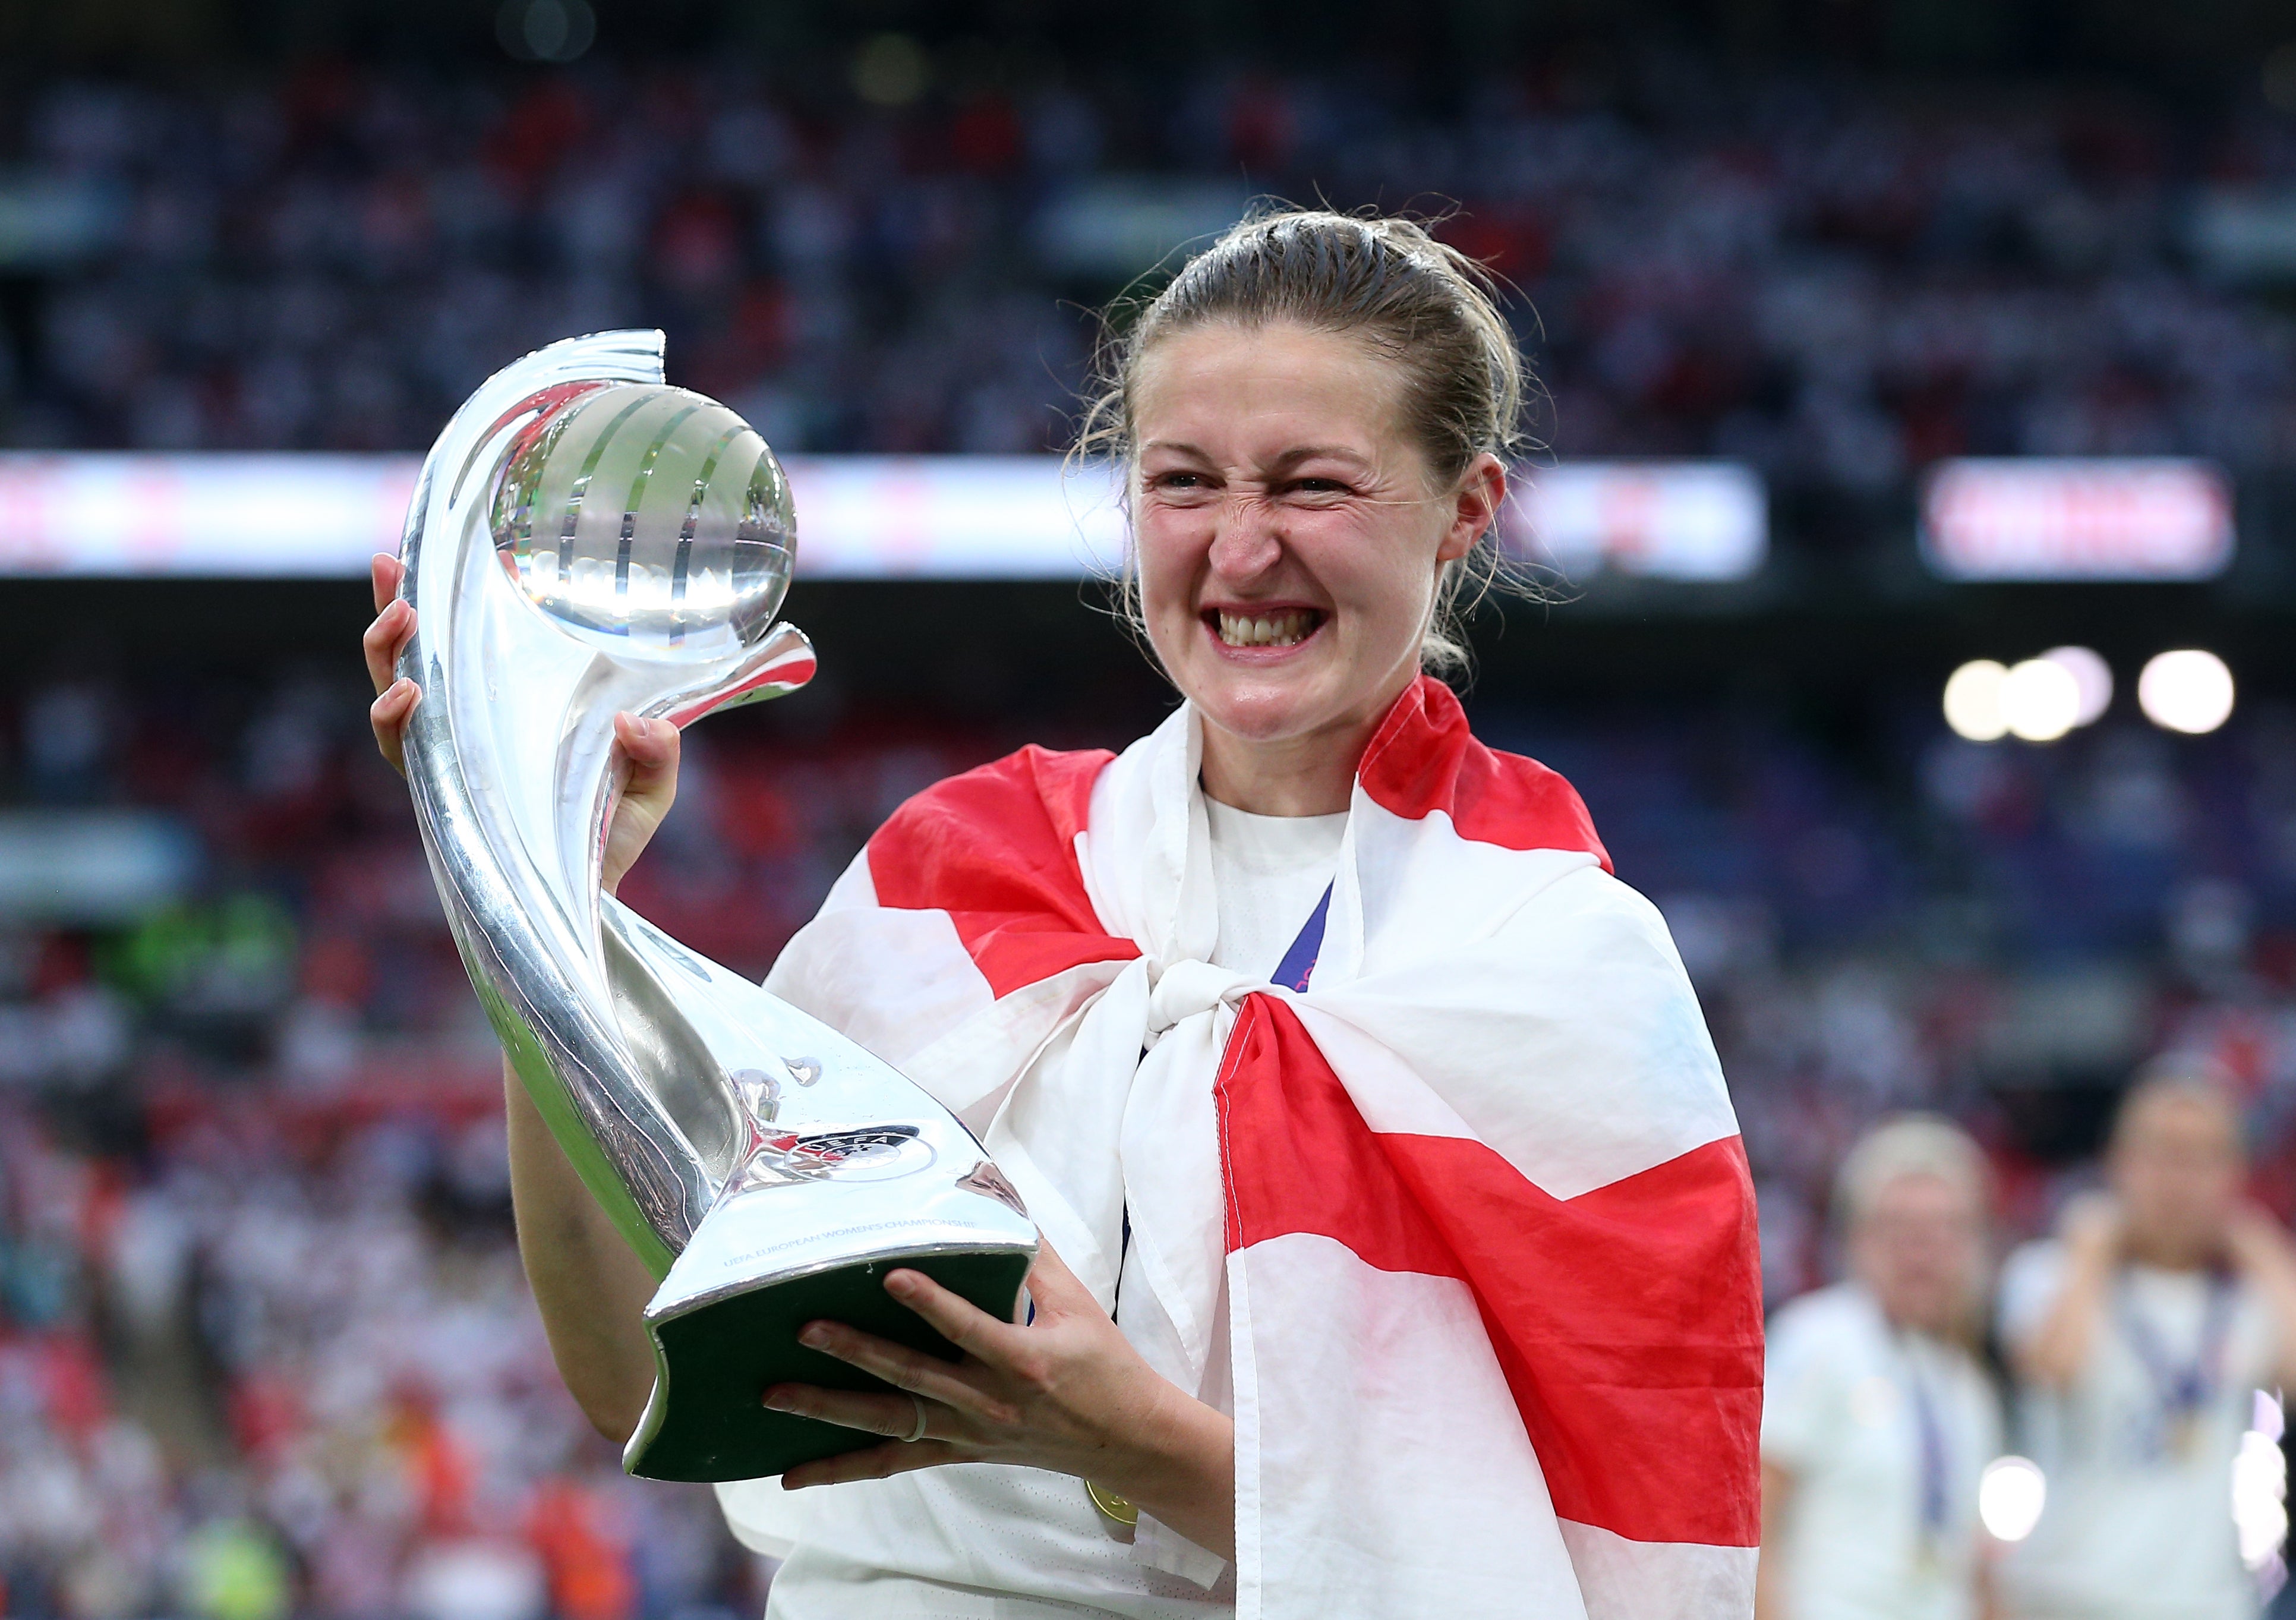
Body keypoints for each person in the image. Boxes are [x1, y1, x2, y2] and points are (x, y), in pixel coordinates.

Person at [364, 208, 1765, 1619]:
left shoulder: (1555, 961)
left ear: (1469, 508)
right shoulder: (962, 876)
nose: (1239, 547)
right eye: (1184, 481)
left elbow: (1607, 1567)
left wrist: (1135, 1447)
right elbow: (645, 1380)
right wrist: (549, 899)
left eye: (1313, 485)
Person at [1997, 1066, 2296, 1620]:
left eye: (2202, 1157)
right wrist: (2088, 1254)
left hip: (2207, 1600)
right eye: (2159, 1152)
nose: (2177, 1179)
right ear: (2116, 1162)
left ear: (2236, 1174)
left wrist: (2267, 1251)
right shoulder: (2046, 1271)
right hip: (2063, 1594)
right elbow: (2051, 1367)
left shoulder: (2249, 1296)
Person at [1756, 1115, 2002, 1620]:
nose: (1922, 1250)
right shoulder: (1818, 1336)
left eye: (1944, 1230)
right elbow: (1757, 1520)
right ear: (1857, 1238)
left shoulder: (1965, 1381)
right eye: (1900, 1227)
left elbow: (1973, 1564)